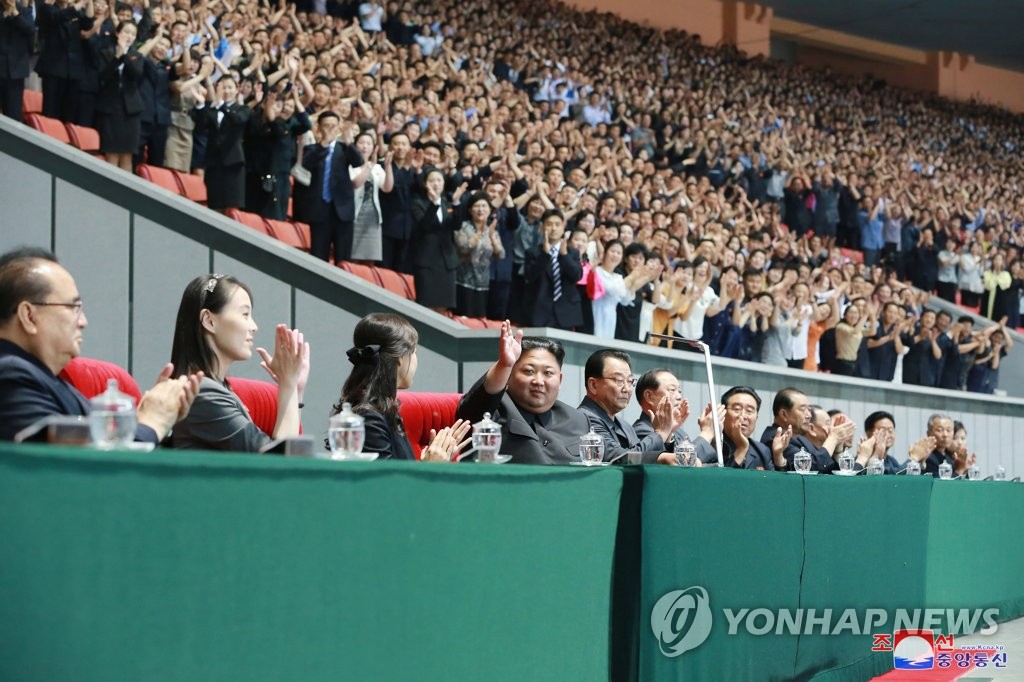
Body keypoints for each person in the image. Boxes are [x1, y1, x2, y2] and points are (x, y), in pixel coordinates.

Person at [0, 247, 199, 442]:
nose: (83, 321)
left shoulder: (42, 377)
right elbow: (69, 465)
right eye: (73, 307)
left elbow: (92, 442)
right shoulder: (10, 375)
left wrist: (152, 416)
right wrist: (153, 421)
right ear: (29, 316)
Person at [169, 274, 309, 452]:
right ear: (209, 321)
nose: (254, 326)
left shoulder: (214, 389)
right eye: (245, 314)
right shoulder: (200, 394)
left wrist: (294, 389)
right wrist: (288, 384)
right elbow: (278, 464)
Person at [331, 313, 469, 461]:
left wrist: (425, 463)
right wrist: (431, 466)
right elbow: (388, 483)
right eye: (414, 352)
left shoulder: (384, 410)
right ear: (400, 359)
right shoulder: (370, 419)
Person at [455, 322, 592, 465]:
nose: (539, 381)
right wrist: (504, 365)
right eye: (529, 371)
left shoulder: (578, 419)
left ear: (560, 380)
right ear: (509, 375)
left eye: (548, 373)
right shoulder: (490, 410)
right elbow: (479, 401)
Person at [577, 349, 682, 464]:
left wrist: (666, 436)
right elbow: (619, 459)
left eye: (630, 381)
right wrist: (660, 433)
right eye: (619, 380)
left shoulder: (625, 426)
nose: (627, 389)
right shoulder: (583, 419)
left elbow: (649, 458)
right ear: (593, 385)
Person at [301, 111, 365, 262]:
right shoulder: (312, 149)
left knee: (343, 258)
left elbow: (358, 162)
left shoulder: (344, 148)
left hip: (342, 211)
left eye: (333, 126)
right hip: (319, 210)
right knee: (318, 256)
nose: (330, 129)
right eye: (326, 126)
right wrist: (323, 144)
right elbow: (307, 163)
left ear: (339, 127)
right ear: (319, 128)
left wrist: (349, 142)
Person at [759, 387, 854, 473]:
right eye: (802, 409)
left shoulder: (799, 438)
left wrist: (837, 450)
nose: (809, 415)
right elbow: (808, 470)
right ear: (784, 414)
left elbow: (828, 470)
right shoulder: (775, 438)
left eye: (809, 409)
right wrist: (833, 438)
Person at [692, 386, 788, 470]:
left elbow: (776, 486)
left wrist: (778, 457)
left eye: (749, 411)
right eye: (736, 409)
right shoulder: (712, 446)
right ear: (723, 414)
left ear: (757, 417)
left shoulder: (762, 451)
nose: (743, 416)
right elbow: (721, 483)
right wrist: (742, 449)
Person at [194, 77, 252, 213]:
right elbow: (200, 127)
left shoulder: (242, 109)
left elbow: (237, 120)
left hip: (233, 164)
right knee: (214, 204)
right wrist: (201, 106)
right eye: (223, 87)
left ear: (237, 89)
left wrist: (221, 106)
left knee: (232, 206)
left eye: (230, 87)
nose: (227, 91)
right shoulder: (213, 109)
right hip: (214, 163)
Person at [94, 21, 145, 172]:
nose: (129, 36)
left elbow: (137, 74)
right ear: (117, 33)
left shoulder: (137, 56)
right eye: (126, 32)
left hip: (130, 111)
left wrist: (125, 55)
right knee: (112, 153)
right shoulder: (106, 52)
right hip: (110, 108)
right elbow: (103, 76)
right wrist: (117, 57)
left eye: (132, 34)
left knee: (127, 155)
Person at [523, 209, 583, 330]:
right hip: (540, 311)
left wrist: (564, 255)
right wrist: (545, 255)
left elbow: (576, 276)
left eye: (557, 224)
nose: (553, 228)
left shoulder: (572, 253)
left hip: (566, 312)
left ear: (563, 226)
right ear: (542, 227)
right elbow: (529, 277)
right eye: (549, 224)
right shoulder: (533, 252)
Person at [411, 167, 458, 313]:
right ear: (425, 184)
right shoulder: (418, 203)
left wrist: (457, 203)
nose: (436, 184)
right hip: (427, 262)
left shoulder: (447, 204)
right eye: (432, 180)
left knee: (443, 307)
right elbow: (424, 226)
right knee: (426, 307)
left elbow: (457, 225)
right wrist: (434, 203)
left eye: (439, 180)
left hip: (446, 262)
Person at [453, 192, 504, 317]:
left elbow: (501, 254)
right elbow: (464, 248)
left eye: (484, 206)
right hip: (463, 281)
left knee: (478, 321)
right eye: (477, 206)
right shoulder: (463, 227)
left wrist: (492, 238)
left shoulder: (492, 231)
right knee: (461, 318)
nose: (481, 209)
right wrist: (478, 233)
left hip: (483, 285)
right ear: (470, 210)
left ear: (490, 210)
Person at [348, 131, 393, 262]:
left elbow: (387, 188)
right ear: (355, 146)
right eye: (361, 143)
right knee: (352, 256)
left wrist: (388, 167)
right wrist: (369, 166)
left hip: (373, 217)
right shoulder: (350, 166)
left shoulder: (378, 168)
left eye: (368, 143)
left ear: (374, 148)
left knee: (370, 258)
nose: (365, 146)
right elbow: (356, 183)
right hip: (354, 214)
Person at [632, 369, 691, 445]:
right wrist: (706, 433)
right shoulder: (642, 431)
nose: (679, 397)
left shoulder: (680, 433)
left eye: (679, 391)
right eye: (672, 390)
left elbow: (695, 456)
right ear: (649, 396)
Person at [0, 0, 34, 123]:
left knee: (13, 115)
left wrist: (14, 13)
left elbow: (30, 30)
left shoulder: (24, 10)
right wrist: (5, 14)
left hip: (16, 71)